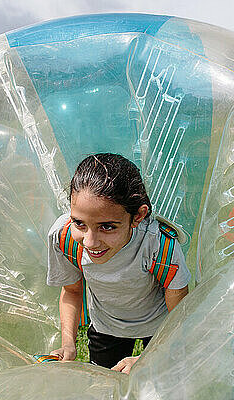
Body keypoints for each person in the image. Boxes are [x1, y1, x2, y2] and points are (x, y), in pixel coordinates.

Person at [46, 153, 190, 373]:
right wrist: (68, 344)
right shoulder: (64, 237)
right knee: (106, 385)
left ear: (137, 216)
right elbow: (72, 292)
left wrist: (148, 357)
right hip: (106, 326)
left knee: (158, 384)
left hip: (160, 328)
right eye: (80, 223)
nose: (90, 242)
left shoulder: (158, 246)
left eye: (107, 226)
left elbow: (181, 314)